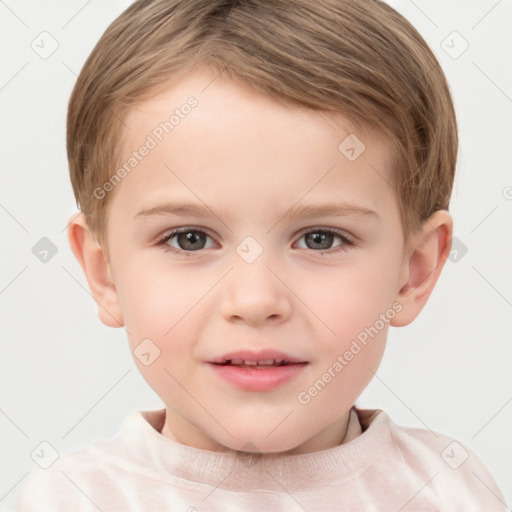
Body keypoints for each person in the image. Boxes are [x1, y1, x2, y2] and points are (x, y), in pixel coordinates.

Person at [15, 0, 506, 510]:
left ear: (415, 272)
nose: (254, 300)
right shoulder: (71, 500)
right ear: (105, 273)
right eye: (190, 239)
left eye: (320, 238)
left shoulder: (453, 491)